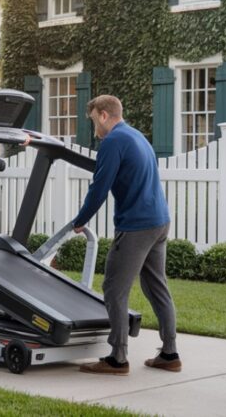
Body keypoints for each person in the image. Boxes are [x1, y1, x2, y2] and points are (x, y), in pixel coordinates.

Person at [71, 95, 180, 375]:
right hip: (159, 221)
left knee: (114, 289)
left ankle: (117, 358)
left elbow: (99, 187)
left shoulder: (113, 141)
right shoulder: (136, 136)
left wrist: (80, 220)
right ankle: (170, 353)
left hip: (136, 226)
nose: (94, 127)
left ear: (104, 115)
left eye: (94, 119)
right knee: (157, 286)